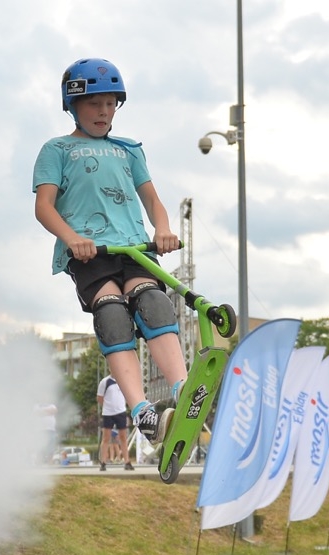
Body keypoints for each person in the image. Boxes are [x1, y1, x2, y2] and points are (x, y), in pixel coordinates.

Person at [34, 58, 188, 446]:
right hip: (89, 252)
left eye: (110, 104)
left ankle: (185, 389)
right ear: (72, 106)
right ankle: (142, 411)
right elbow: (44, 206)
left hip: (134, 248)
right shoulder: (58, 149)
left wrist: (164, 229)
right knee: (113, 313)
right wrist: (72, 239)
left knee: (152, 301)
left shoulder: (129, 149)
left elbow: (153, 201)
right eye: (94, 104)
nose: (103, 112)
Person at [97, 375, 135, 471]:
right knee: (106, 438)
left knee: (123, 437)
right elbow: (99, 398)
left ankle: (127, 461)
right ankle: (103, 462)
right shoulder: (105, 382)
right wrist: (107, 406)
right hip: (108, 413)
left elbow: (128, 394)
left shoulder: (123, 380)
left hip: (121, 412)